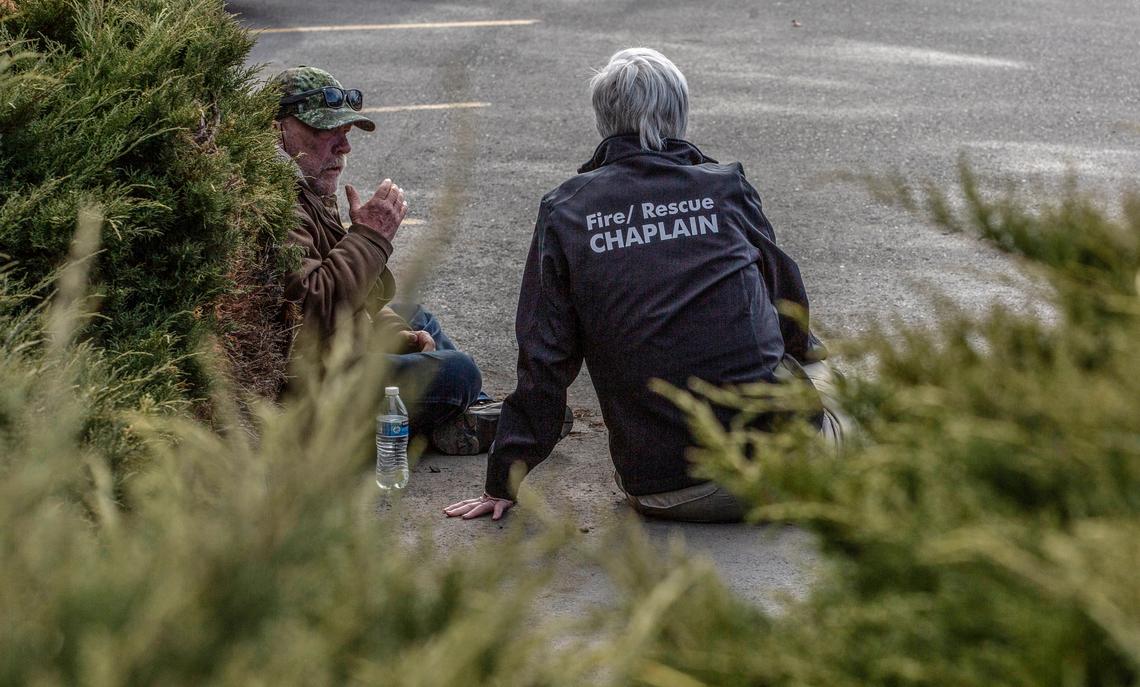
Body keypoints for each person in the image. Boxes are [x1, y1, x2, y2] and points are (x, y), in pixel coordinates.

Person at [444, 48, 845, 523]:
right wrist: (796, 355)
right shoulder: (726, 187)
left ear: (603, 121)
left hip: (665, 491)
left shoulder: (565, 210)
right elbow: (788, 305)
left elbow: (544, 357)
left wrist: (504, 478)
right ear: (680, 114)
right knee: (836, 375)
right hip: (785, 475)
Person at [271, 66, 498, 453]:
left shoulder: (304, 181)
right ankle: (461, 416)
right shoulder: (276, 201)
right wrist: (370, 237)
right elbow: (312, 307)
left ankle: (470, 415)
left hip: (338, 344)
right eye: (327, 131)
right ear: (279, 129)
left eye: (344, 132)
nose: (344, 147)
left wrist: (396, 335)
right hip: (315, 386)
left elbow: (355, 297)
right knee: (461, 371)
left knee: (416, 317)